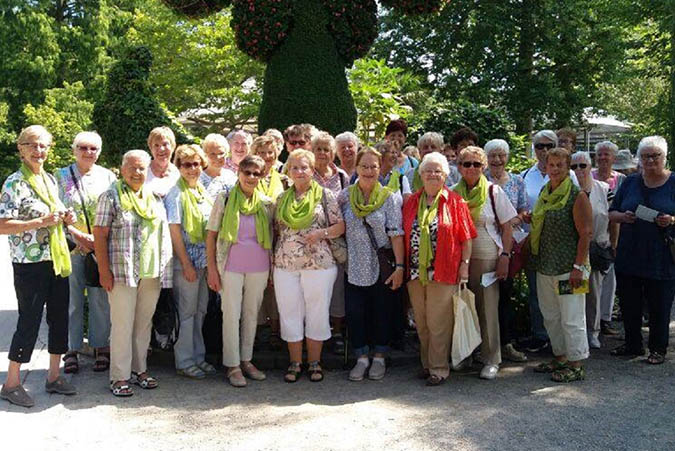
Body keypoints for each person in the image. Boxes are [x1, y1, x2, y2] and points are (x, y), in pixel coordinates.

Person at [0, 125, 78, 407]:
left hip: (55, 258)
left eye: (43, 145)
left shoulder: (49, 180)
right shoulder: (14, 183)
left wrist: (65, 217)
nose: (39, 151)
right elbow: (3, 225)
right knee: (29, 319)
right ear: (21, 149)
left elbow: (55, 214)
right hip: (29, 263)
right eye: (32, 145)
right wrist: (41, 222)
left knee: (59, 317)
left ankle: (54, 376)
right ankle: (11, 383)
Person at [94, 150, 173, 397]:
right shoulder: (110, 196)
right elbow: (99, 234)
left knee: (143, 324)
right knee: (122, 325)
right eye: (132, 168)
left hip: (150, 272)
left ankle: (140, 370)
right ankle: (119, 376)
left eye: (141, 168)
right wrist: (103, 271)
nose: (137, 173)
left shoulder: (154, 198)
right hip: (121, 271)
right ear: (122, 168)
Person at [403, 152, 476, 386]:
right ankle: (426, 364)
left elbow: (467, 238)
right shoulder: (412, 202)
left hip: (444, 271)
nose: (433, 174)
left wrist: (464, 266)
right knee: (421, 322)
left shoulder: (455, 202)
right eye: (428, 170)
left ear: (445, 175)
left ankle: (439, 368)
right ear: (421, 175)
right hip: (415, 272)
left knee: (438, 323)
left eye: (438, 171)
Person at [273, 149, 345, 383]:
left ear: (312, 170)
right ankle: (295, 362)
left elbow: (340, 226)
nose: (299, 171)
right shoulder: (282, 199)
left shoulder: (326, 196)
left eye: (304, 167)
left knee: (317, 312)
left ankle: (315, 362)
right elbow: (277, 231)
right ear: (289, 171)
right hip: (285, 265)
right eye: (295, 167)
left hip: (319, 265)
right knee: (289, 313)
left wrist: (321, 233)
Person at [206, 155, 275, 387]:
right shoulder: (224, 199)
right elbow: (212, 235)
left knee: (251, 315)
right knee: (231, 314)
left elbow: (272, 238)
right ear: (239, 172)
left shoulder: (266, 203)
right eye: (248, 172)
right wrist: (212, 270)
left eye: (257, 173)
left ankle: (246, 360)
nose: (252, 177)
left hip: (259, 266)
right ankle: (232, 364)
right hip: (230, 266)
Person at [338, 147, 405, 381]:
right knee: (355, 313)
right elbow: (338, 227)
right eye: (364, 166)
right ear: (356, 168)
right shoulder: (345, 196)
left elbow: (396, 234)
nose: (368, 171)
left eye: (373, 166)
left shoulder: (389, 197)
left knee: (381, 312)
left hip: (381, 265)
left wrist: (399, 267)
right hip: (354, 263)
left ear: (380, 168)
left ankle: (379, 357)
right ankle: (361, 358)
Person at [609, 136, 675, 364]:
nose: (649, 160)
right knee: (630, 302)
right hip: (630, 252)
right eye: (645, 156)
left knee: (660, 303)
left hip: (662, 255)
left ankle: (658, 348)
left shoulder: (673, 182)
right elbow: (612, 212)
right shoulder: (629, 183)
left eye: (655, 156)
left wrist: (671, 219)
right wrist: (623, 217)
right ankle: (632, 344)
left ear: (664, 158)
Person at [55, 131, 117, 374]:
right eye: (83, 147)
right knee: (72, 301)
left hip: (99, 246)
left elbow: (115, 209)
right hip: (71, 247)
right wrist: (76, 235)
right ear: (74, 149)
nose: (88, 152)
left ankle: (100, 346)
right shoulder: (60, 176)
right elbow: (56, 210)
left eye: (93, 148)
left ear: (99, 152)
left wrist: (98, 241)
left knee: (100, 299)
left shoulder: (108, 176)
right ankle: (71, 349)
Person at [529, 147, 592, 382]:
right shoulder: (545, 193)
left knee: (572, 317)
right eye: (551, 165)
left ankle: (576, 363)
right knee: (551, 316)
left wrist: (578, 268)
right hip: (545, 265)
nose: (554, 169)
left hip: (570, 269)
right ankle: (561, 357)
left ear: (567, 169)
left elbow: (586, 233)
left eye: (559, 165)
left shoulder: (577, 196)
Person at [454, 147, 517, 379]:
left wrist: (505, 257)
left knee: (487, 309)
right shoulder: (452, 193)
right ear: (459, 167)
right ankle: (466, 353)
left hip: (488, 257)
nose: (471, 168)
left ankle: (492, 358)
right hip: (458, 260)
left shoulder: (494, 192)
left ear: (484, 167)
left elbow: (508, 226)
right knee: (462, 308)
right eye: (466, 164)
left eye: (476, 164)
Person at [520, 130, 579, 353]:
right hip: (542, 255)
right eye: (540, 147)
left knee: (571, 310)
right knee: (547, 307)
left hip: (567, 260)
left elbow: (585, 231)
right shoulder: (533, 181)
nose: (544, 152)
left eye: (549, 146)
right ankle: (555, 350)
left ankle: (575, 358)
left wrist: (579, 265)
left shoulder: (574, 189)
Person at [164, 144, 217, 380]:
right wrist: (185, 264)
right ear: (179, 167)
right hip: (185, 263)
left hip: (204, 262)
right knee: (186, 313)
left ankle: (198, 356)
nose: (192, 169)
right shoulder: (175, 194)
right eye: (187, 165)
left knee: (200, 310)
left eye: (196, 164)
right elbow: (174, 232)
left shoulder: (201, 191)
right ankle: (184, 360)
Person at [483, 139, 528, 363]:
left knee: (505, 294)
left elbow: (523, 208)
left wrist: (513, 220)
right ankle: (483, 345)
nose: (497, 160)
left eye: (501, 155)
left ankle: (506, 343)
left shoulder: (517, 181)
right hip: (484, 245)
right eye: (492, 155)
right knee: (483, 295)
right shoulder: (479, 179)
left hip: (508, 245)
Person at [572, 151, 615, 349]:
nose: (579, 170)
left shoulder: (605, 189)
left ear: (590, 167)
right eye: (574, 166)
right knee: (574, 293)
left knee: (593, 293)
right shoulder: (567, 190)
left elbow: (614, 220)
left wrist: (614, 244)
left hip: (597, 248)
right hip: (573, 250)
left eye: (583, 166)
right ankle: (576, 332)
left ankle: (593, 332)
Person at [311, 132, 349, 354]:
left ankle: (335, 333)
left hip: (335, 239)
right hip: (312, 241)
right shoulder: (306, 172)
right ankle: (315, 333)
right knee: (315, 289)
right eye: (319, 149)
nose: (323, 153)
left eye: (327, 149)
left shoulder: (342, 177)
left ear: (333, 152)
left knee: (337, 289)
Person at [250, 135, 289, 349]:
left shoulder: (284, 179)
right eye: (261, 152)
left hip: (278, 239)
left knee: (275, 287)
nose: (266, 157)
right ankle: (256, 329)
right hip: (253, 239)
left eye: (270, 152)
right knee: (256, 287)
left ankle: (275, 330)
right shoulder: (248, 177)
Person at [591, 140, 624, 336]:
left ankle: (605, 319)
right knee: (593, 283)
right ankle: (593, 320)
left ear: (614, 157)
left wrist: (616, 241)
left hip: (614, 234)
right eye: (600, 154)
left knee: (610, 280)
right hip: (594, 234)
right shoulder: (589, 176)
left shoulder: (621, 180)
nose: (603, 157)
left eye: (607, 154)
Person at [145, 126, 180, 198]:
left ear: (173, 146)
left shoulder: (178, 173)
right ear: (150, 148)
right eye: (156, 145)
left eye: (165, 144)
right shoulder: (143, 170)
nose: (161, 149)